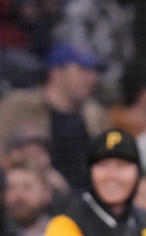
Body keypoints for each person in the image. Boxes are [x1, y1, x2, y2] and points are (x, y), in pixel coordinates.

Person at [0, 43, 107, 189]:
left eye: (94, 72)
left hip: (85, 199)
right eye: (83, 70)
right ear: (56, 72)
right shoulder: (18, 106)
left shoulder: (96, 115)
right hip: (29, 198)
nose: (92, 78)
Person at [3, 162, 53, 236]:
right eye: (11, 187)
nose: (18, 195)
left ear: (46, 193)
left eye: (27, 187)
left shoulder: (64, 234)